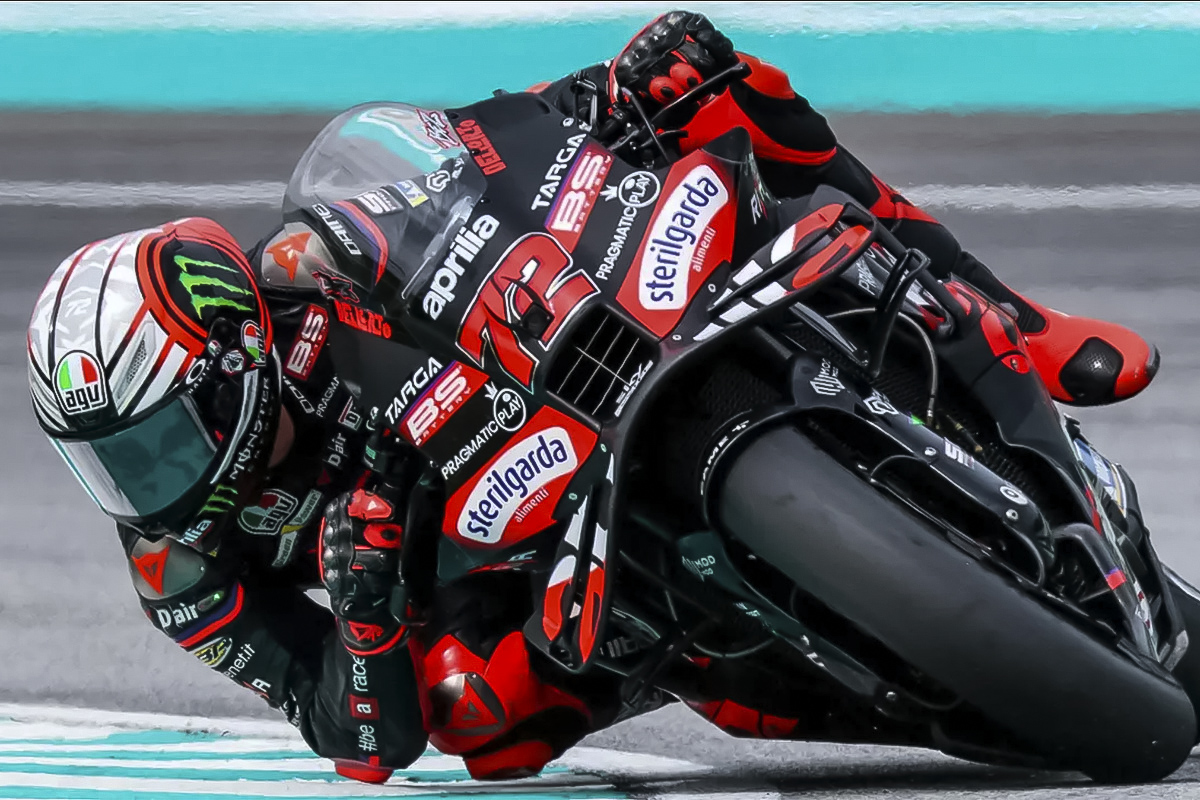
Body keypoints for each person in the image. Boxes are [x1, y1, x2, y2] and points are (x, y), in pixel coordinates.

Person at [25, 10, 1161, 785]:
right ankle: (711, 646)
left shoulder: (301, 276)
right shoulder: (179, 566)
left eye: (159, 442)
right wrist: (365, 617)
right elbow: (358, 741)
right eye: (109, 463)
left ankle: (1020, 321)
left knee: (718, 85)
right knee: (482, 727)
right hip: (491, 563)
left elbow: (466, 155)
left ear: (234, 360)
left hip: (550, 367)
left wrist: (614, 91)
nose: (145, 486)